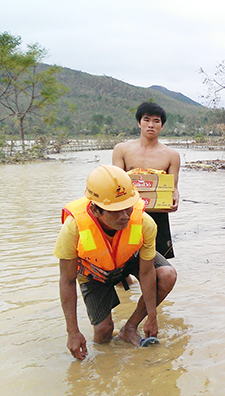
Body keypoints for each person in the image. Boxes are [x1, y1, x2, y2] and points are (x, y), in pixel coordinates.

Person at [55, 165, 178, 360]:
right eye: (115, 211)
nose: (125, 216)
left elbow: (147, 273)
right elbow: (67, 280)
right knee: (103, 333)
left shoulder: (144, 222)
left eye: (127, 207)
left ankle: (129, 328)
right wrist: (73, 332)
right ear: (95, 210)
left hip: (129, 258)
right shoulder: (74, 227)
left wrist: (152, 318)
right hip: (93, 269)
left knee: (167, 275)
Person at [113, 101, 180, 259]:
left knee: (159, 266)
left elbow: (173, 187)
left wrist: (175, 197)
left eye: (156, 121)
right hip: (127, 214)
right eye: (146, 120)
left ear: (162, 126)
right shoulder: (122, 150)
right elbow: (115, 184)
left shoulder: (172, 155)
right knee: (122, 263)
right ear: (139, 123)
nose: (151, 125)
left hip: (158, 215)